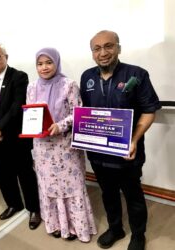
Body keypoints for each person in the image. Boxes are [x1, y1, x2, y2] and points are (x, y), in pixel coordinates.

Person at [80, 30, 161, 250]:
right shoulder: (86, 77)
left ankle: (138, 235)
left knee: (133, 194)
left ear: (118, 48)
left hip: (127, 152)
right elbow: (85, 114)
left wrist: (134, 139)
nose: (103, 53)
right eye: (97, 49)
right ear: (92, 53)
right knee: (108, 193)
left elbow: (149, 110)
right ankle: (116, 228)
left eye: (108, 46)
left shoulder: (137, 75)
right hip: (98, 154)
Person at [27, 48, 97, 242]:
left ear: (56, 63)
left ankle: (76, 227)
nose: (44, 67)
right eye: (40, 64)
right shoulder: (32, 87)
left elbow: (78, 112)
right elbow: (30, 113)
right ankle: (56, 225)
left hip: (65, 146)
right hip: (42, 147)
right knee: (49, 186)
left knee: (71, 186)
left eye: (48, 62)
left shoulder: (69, 84)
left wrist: (61, 125)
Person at [0, 44, 41, 230]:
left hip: (15, 137)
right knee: (3, 175)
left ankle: (34, 209)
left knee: (25, 174)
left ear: (6, 57)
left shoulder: (19, 77)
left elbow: (17, 106)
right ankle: (14, 204)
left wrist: (0, 128)